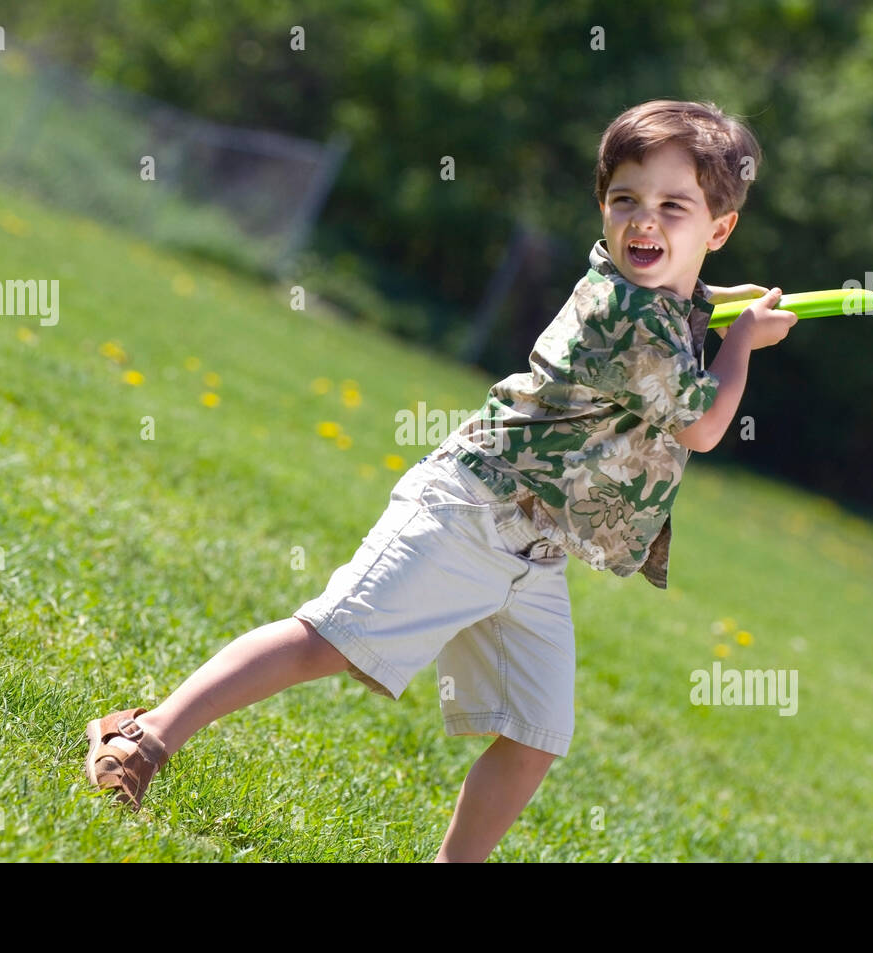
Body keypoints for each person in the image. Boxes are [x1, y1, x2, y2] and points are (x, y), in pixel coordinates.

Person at [83, 98, 798, 862]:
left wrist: (721, 305)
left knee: (534, 735)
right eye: (625, 199)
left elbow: (679, 304)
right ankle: (142, 735)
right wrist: (744, 343)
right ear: (602, 204)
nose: (642, 221)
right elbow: (704, 423)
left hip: (537, 547)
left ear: (717, 231)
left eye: (672, 207)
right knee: (329, 640)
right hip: (472, 509)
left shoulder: (661, 300)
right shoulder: (628, 317)